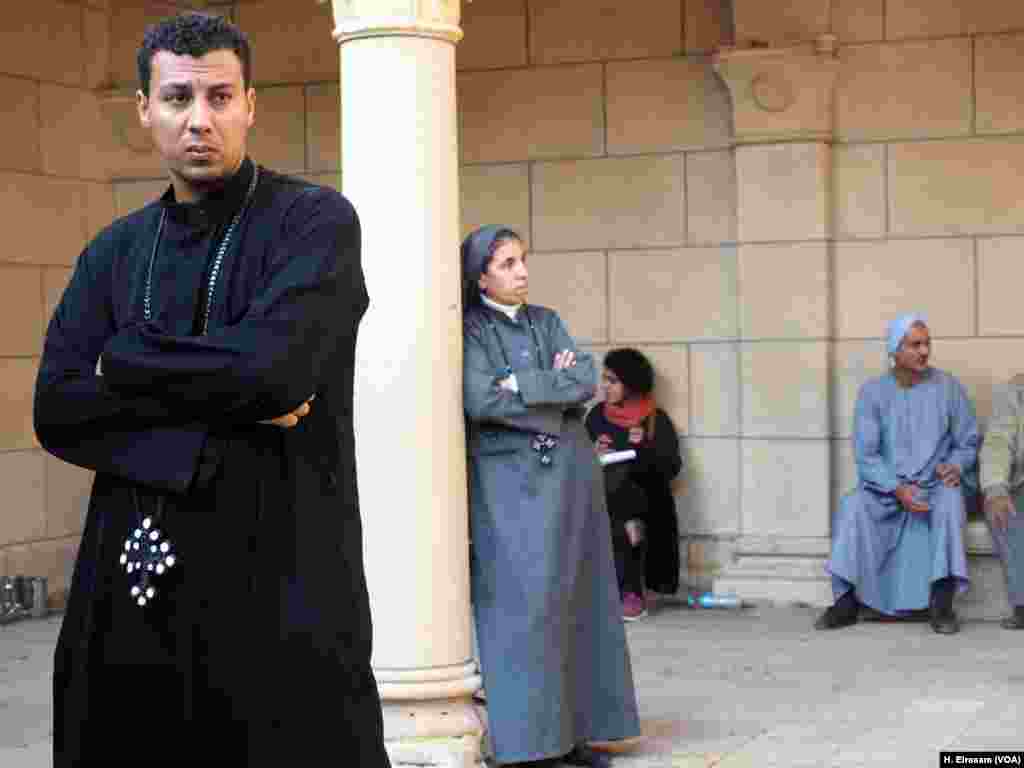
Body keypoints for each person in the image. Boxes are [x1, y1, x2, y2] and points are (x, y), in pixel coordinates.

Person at [34, 13, 389, 766]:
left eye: (220, 97)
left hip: (280, 587)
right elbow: (58, 407)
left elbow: (277, 372)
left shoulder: (313, 224)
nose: (200, 119)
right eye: (178, 97)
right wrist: (224, 402)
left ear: (250, 105)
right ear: (145, 109)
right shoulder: (113, 252)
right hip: (129, 597)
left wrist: (122, 361)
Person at [461, 225, 640, 767]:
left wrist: (521, 384)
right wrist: (551, 399)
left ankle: (578, 734)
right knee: (524, 609)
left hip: (570, 478)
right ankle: (530, 745)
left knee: (579, 600)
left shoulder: (547, 320)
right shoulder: (470, 330)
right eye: (508, 263)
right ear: (480, 277)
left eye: (523, 260)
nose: (522, 272)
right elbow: (479, 399)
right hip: (509, 485)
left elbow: (583, 379)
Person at [816, 314, 979, 635]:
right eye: (915, 344)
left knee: (950, 501)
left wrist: (956, 464)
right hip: (887, 490)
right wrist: (895, 488)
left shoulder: (948, 387)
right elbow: (867, 455)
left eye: (927, 343)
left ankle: (942, 603)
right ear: (895, 350)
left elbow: (969, 440)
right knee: (853, 506)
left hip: (934, 486)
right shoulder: (873, 393)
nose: (924, 351)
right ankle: (846, 602)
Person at [585, 348, 683, 621]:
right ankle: (628, 593)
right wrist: (593, 452)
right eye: (604, 379)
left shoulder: (654, 419)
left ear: (631, 384)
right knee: (619, 514)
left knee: (622, 505)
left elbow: (671, 468)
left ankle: (629, 593)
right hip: (603, 495)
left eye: (612, 380)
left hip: (644, 499)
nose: (605, 386)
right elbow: (576, 459)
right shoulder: (596, 416)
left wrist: (644, 448)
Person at [978, 376, 1024, 629]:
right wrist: (995, 488)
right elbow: (997, 443)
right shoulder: (1013, 393)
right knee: (1005, 513)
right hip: (1019, 482)